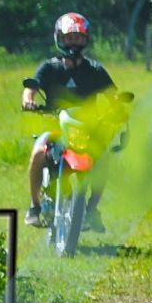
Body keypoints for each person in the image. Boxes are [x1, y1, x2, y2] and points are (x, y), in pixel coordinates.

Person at [22, 12, 119, 229]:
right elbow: (31, 89)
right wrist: (28, 101)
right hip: (54, 126)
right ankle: (35, 206)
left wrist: (118, 110)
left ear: (86, 40)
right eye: (69, 38)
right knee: (38, 154)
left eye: (78, 38)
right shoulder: (49, 67)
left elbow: (113, 95)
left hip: (87, 129)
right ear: (59, 39)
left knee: (103, 160)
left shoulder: (94, 69)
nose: (73, 43)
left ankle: (92, 209)